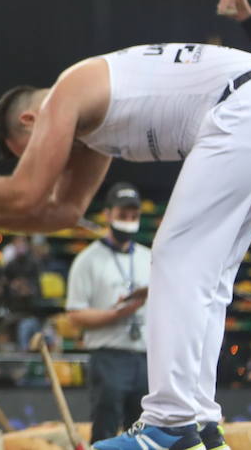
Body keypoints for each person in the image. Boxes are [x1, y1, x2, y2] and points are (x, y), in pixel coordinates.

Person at [0, 40, 251, 450]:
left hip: (243, 106)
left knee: (176, 257)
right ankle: (201, 423)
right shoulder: (95, 124)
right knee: (210, 276)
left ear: (32, 120)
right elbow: (61, 212)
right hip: (248, 110)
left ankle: (170, 426)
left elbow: (26, 192)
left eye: (32, 151)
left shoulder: (68, 91)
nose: (50, 160)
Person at [66, 182, 151, 442]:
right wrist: (117, 314)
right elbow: (75, 315)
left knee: (145, 432)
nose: (128, 221)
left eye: (133, 216)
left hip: (146, 357)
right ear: (108, 215)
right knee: (105, 428)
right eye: (123, 215)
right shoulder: (88, 260)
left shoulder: (149, 257)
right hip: (109, 357)